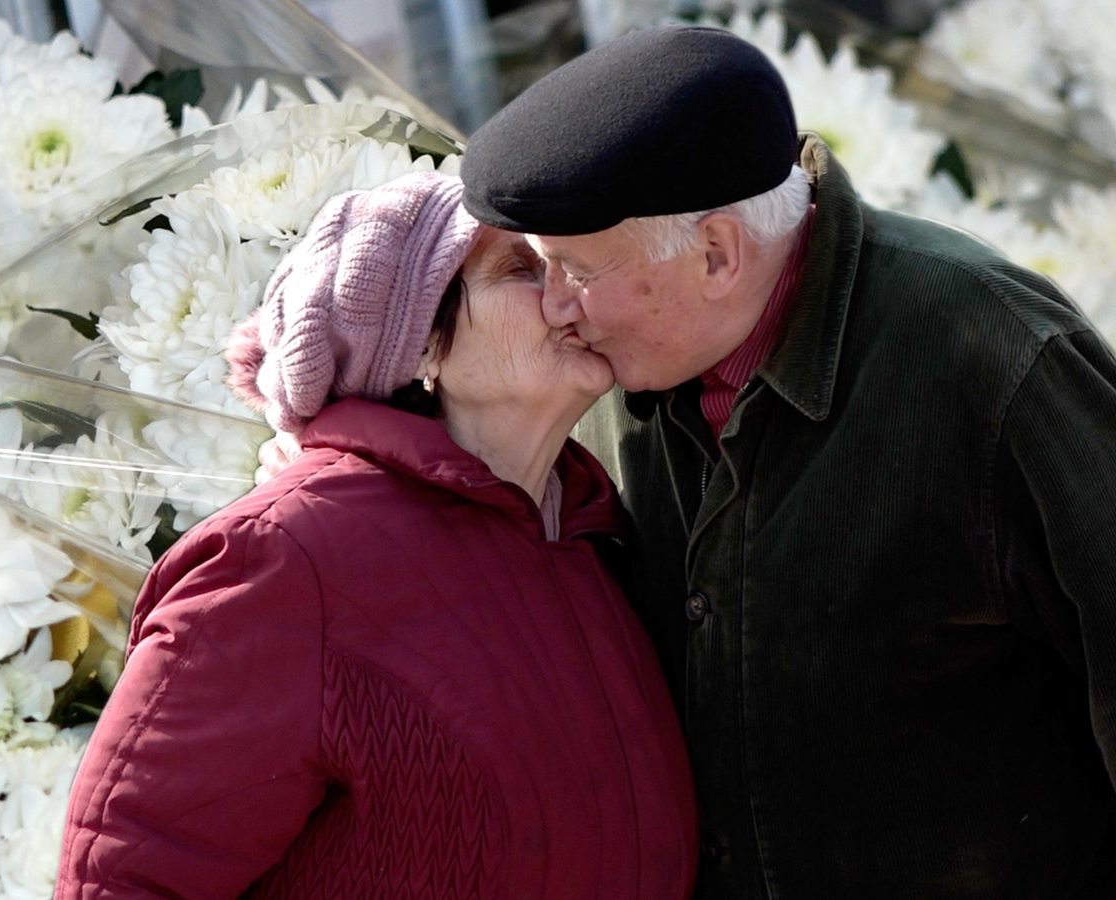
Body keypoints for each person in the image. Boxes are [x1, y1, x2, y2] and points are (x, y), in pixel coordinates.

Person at [459, 22, 1116, 899]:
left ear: (718, 253)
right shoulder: (611, 370)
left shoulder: (993, 355)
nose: (553, 308)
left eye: (575, 269)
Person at [54, 171, 697, 897]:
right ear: (419, 344)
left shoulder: (591, 536)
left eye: (569, 262)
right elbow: (127, 876)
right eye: (522, 268)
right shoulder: (285, 557)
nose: (569, 291)